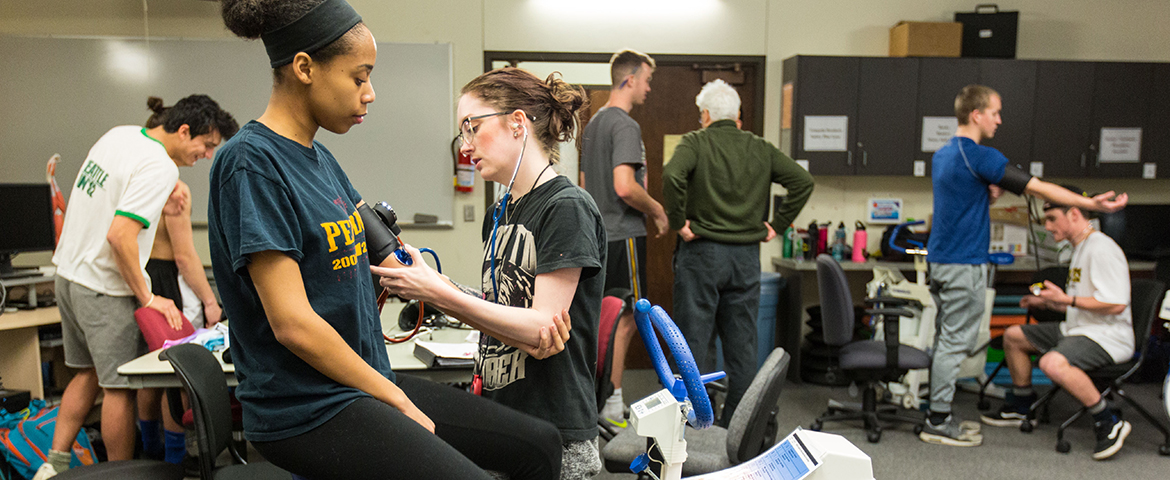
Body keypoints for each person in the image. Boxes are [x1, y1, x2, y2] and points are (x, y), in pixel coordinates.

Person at [210, 1, 565, 478]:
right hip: (308, 407)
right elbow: (292, 323)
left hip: (363, 383)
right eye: (359, 78)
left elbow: (386, 256)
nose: (370, 94)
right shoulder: (252, 163)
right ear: (304, 68)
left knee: (540, 445)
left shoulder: (322, 162)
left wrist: (489, 313)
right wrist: (396, 398)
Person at [374, 67, 606, 479]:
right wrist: (434, 283)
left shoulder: (567, 207)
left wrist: (440, 294)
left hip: (556, 431)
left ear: (518, 123)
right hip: (506, 421)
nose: (465, 147)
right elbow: (505, 309)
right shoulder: (499, 213)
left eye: (472, 128)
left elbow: (540, 331)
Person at [37, 94, 236, 480]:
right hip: (104, 287)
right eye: (207, 145)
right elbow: (120, 236)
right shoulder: (159, 168)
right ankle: (121, 475)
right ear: (183, 131)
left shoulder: (120, 136)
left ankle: (54, 464)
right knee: (119, 389)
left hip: (67, 275)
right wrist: (147, 296)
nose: (208, 156)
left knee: (87, 374)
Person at [920, 84, 1128, 447]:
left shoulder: (944, 155)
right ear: (976, 115)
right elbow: (1041, 189)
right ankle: (937, 420)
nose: (999, 120)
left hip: (940, 260)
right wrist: (1092, 205)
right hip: (963, 263)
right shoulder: (980, 155)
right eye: (995, 112)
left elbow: (964, 202)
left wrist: (987, 194)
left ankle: (942, 413)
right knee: (956, 342)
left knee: (945, 338)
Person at [662, 79, 813, 426]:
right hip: (745, 259)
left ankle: (695, 426)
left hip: (702, 255)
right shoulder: (760, 147)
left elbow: (672, 176)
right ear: (738, 116)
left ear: (705, 115)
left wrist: (678, 221)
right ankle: (738, 427)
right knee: (743, 347)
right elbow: (802, 181)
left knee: (693, 344)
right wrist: (778, 224)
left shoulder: (696, 142)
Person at [980, 187, 1133, 459]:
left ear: (1074, 214)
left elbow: (1116, 303)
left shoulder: (1101, 249)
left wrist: (1068, 300)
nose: (1048, 227)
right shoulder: (1079, 248)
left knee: (1052, 362)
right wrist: (1051, 302)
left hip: (1106, 336)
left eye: (1052, 219)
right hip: (1077, 328)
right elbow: (1083, 298)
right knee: (1014, 335)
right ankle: (1022, 405)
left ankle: (1108, 421)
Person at [136, 98, 228, 467]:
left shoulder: (138, 178)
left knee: (148, 369)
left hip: (143, 279)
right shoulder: (173, 189)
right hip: (166, 280)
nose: (205, 154)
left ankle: (152, 450)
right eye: (205, 146)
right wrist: (210, 301)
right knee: (176, 373)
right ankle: (176, 456)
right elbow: (185, 257)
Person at [580, 49, 666, 428]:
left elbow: (585, 186)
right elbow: (625, 186)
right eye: (646, 80)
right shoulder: (625, 125)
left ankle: (596, 399)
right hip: (624, 235)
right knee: (627, 320)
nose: (648, 88)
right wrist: (658, 211)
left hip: (599, 236)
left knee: (602, 320)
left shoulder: (595, 122)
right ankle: (612, 402)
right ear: (629, 79)